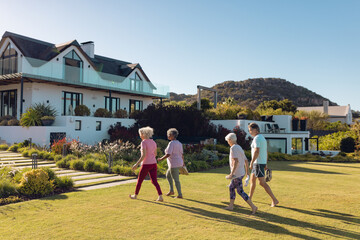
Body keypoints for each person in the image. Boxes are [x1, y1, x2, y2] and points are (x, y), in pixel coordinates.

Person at [224, 133, 257, 214]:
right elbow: (246, 160)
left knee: (240, 191)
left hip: (237, 174)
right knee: (231, 187)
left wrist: (232, 174)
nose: (228, 142)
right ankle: (231, 206)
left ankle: (253, 207)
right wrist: (247, 172)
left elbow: (236, 161)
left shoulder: (233, 148)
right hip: (240, 172)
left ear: (230, 140)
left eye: (228, 141)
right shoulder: (239, 147)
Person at [248, 122, 279, 207]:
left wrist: (251, 162)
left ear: (255, 130)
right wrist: (265, 163)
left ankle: (274, 200)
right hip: (259, 163)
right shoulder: (262, 138)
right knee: (252, 180)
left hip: (257, 163)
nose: (249, 132)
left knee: (262, 183)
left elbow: (257, 151)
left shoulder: (257, 138)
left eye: (250, 130)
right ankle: (249, 198)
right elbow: (265, 152)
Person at [129, 126, 163, 202]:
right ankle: (160, 196)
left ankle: (135, 195)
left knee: (140, 180)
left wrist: (136, 164)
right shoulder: (153, 142)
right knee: (154, 181)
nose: (140, 135)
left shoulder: (143, 142)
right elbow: (155, 154)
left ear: (143, 134)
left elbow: (143, 155)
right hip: (153, 163)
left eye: (140, 134)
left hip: (146, 164)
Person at [157, 128, 184, 198]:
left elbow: (168, 154)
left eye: (169, 135)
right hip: (178, 162)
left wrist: (161, 159)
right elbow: (182, 154)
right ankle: (171, 191)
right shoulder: (179, 143)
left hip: (174, 164)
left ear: (172, 135)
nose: (168, 136)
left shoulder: (171, 143)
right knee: (168, 175)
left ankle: (180, 194)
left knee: (176, 180)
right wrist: (183, 163)